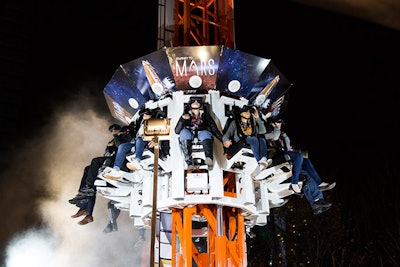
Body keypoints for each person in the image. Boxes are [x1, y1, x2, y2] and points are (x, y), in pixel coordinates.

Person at [266, 118, 335, 215]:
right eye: (278, 123)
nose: (280, 125)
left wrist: (284, 136)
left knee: (307, 171)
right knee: (299, 156)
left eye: (281, 123)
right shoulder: (268, 131)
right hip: (273, 156)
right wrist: (276, 128)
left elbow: (286, 143)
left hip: (285, 159)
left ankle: (317, 201)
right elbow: (274, 136)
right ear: (272, 124)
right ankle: (294, 184)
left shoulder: (281, 135)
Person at [68, 123, 121, 225]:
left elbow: (120, 146)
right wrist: (109, 147)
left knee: (94, 162)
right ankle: (86, 211)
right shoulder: (112, 142)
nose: (113, 133)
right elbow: (107, 153)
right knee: (88, 171)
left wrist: (116, 138)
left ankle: (86, 207)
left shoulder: (123, 136)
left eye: (114, 131)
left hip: (117, 162)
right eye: (112, 131)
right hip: (108, 163)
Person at [174, 96, 223, 170]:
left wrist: (223, 140)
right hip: (189, 134)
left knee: (205, 133)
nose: (196, 102)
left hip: (202, 133)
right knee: (183, 132)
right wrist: (182, 119)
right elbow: (177, 131)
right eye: (193, 101)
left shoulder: (205, 115)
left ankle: (209, 158)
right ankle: (189, 162)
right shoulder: (185, 115)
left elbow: (214, 129)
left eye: (198, 101)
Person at [222, 105, 271, 170]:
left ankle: (264, 159)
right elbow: (227, 135)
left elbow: (263, 131)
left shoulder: (252, 123)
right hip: (240, 142)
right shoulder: (235, 123)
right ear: (241, 113)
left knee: (262, 139)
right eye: (246, 111)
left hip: (252, 142)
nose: (248, 112)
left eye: (249, 111)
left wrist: (258, 118)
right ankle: (259, 162)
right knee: (254, 139)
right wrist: (226, 141)